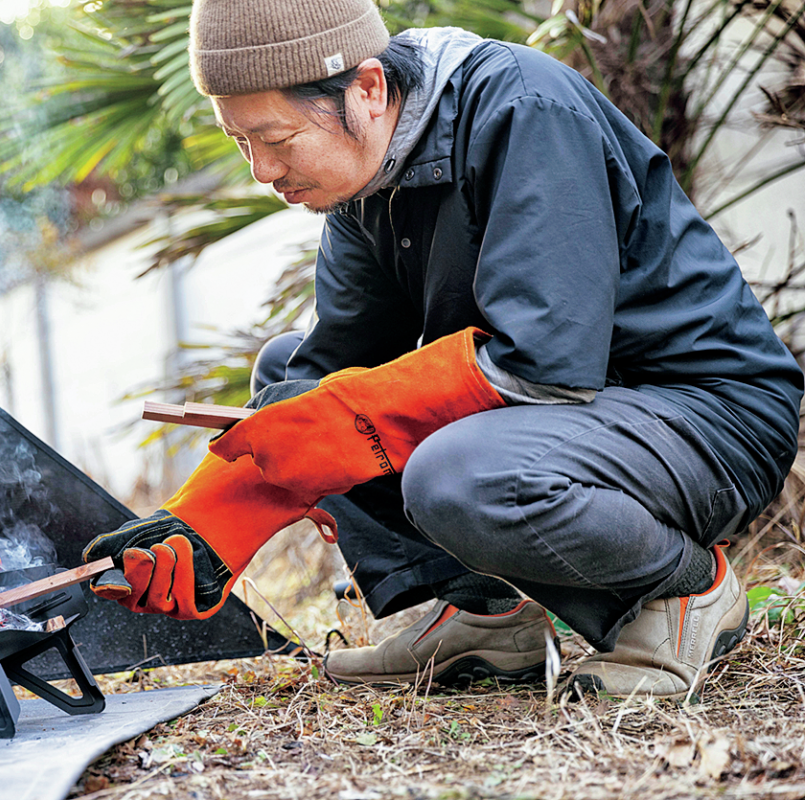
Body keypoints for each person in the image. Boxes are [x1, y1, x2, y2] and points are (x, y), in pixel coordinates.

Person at [83, 0, 804, 698]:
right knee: (289, 375)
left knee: (453, 476)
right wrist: (207, 522)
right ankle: (486, 615)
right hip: (577, 419)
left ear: (366, 88)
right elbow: (333, 376)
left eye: (274, 139)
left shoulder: (525, 110)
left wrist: (334, 418)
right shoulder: (365, 182)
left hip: (708, 417)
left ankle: (682, 590)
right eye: (241, 143)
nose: (261, 173)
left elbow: (543, 365)